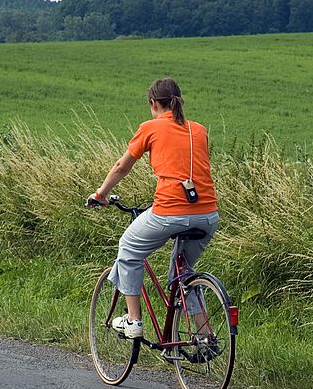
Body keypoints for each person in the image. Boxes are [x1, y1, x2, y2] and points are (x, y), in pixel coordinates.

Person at [87, 77, 219, 338]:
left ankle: (133, 321)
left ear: (153, 103)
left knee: (128, 249)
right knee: (184, 274)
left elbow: (121, 167)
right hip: (207, 215)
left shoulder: (151, 128)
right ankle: (204, 337)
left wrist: (101, 194)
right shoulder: (199, 130)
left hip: (170, 212)